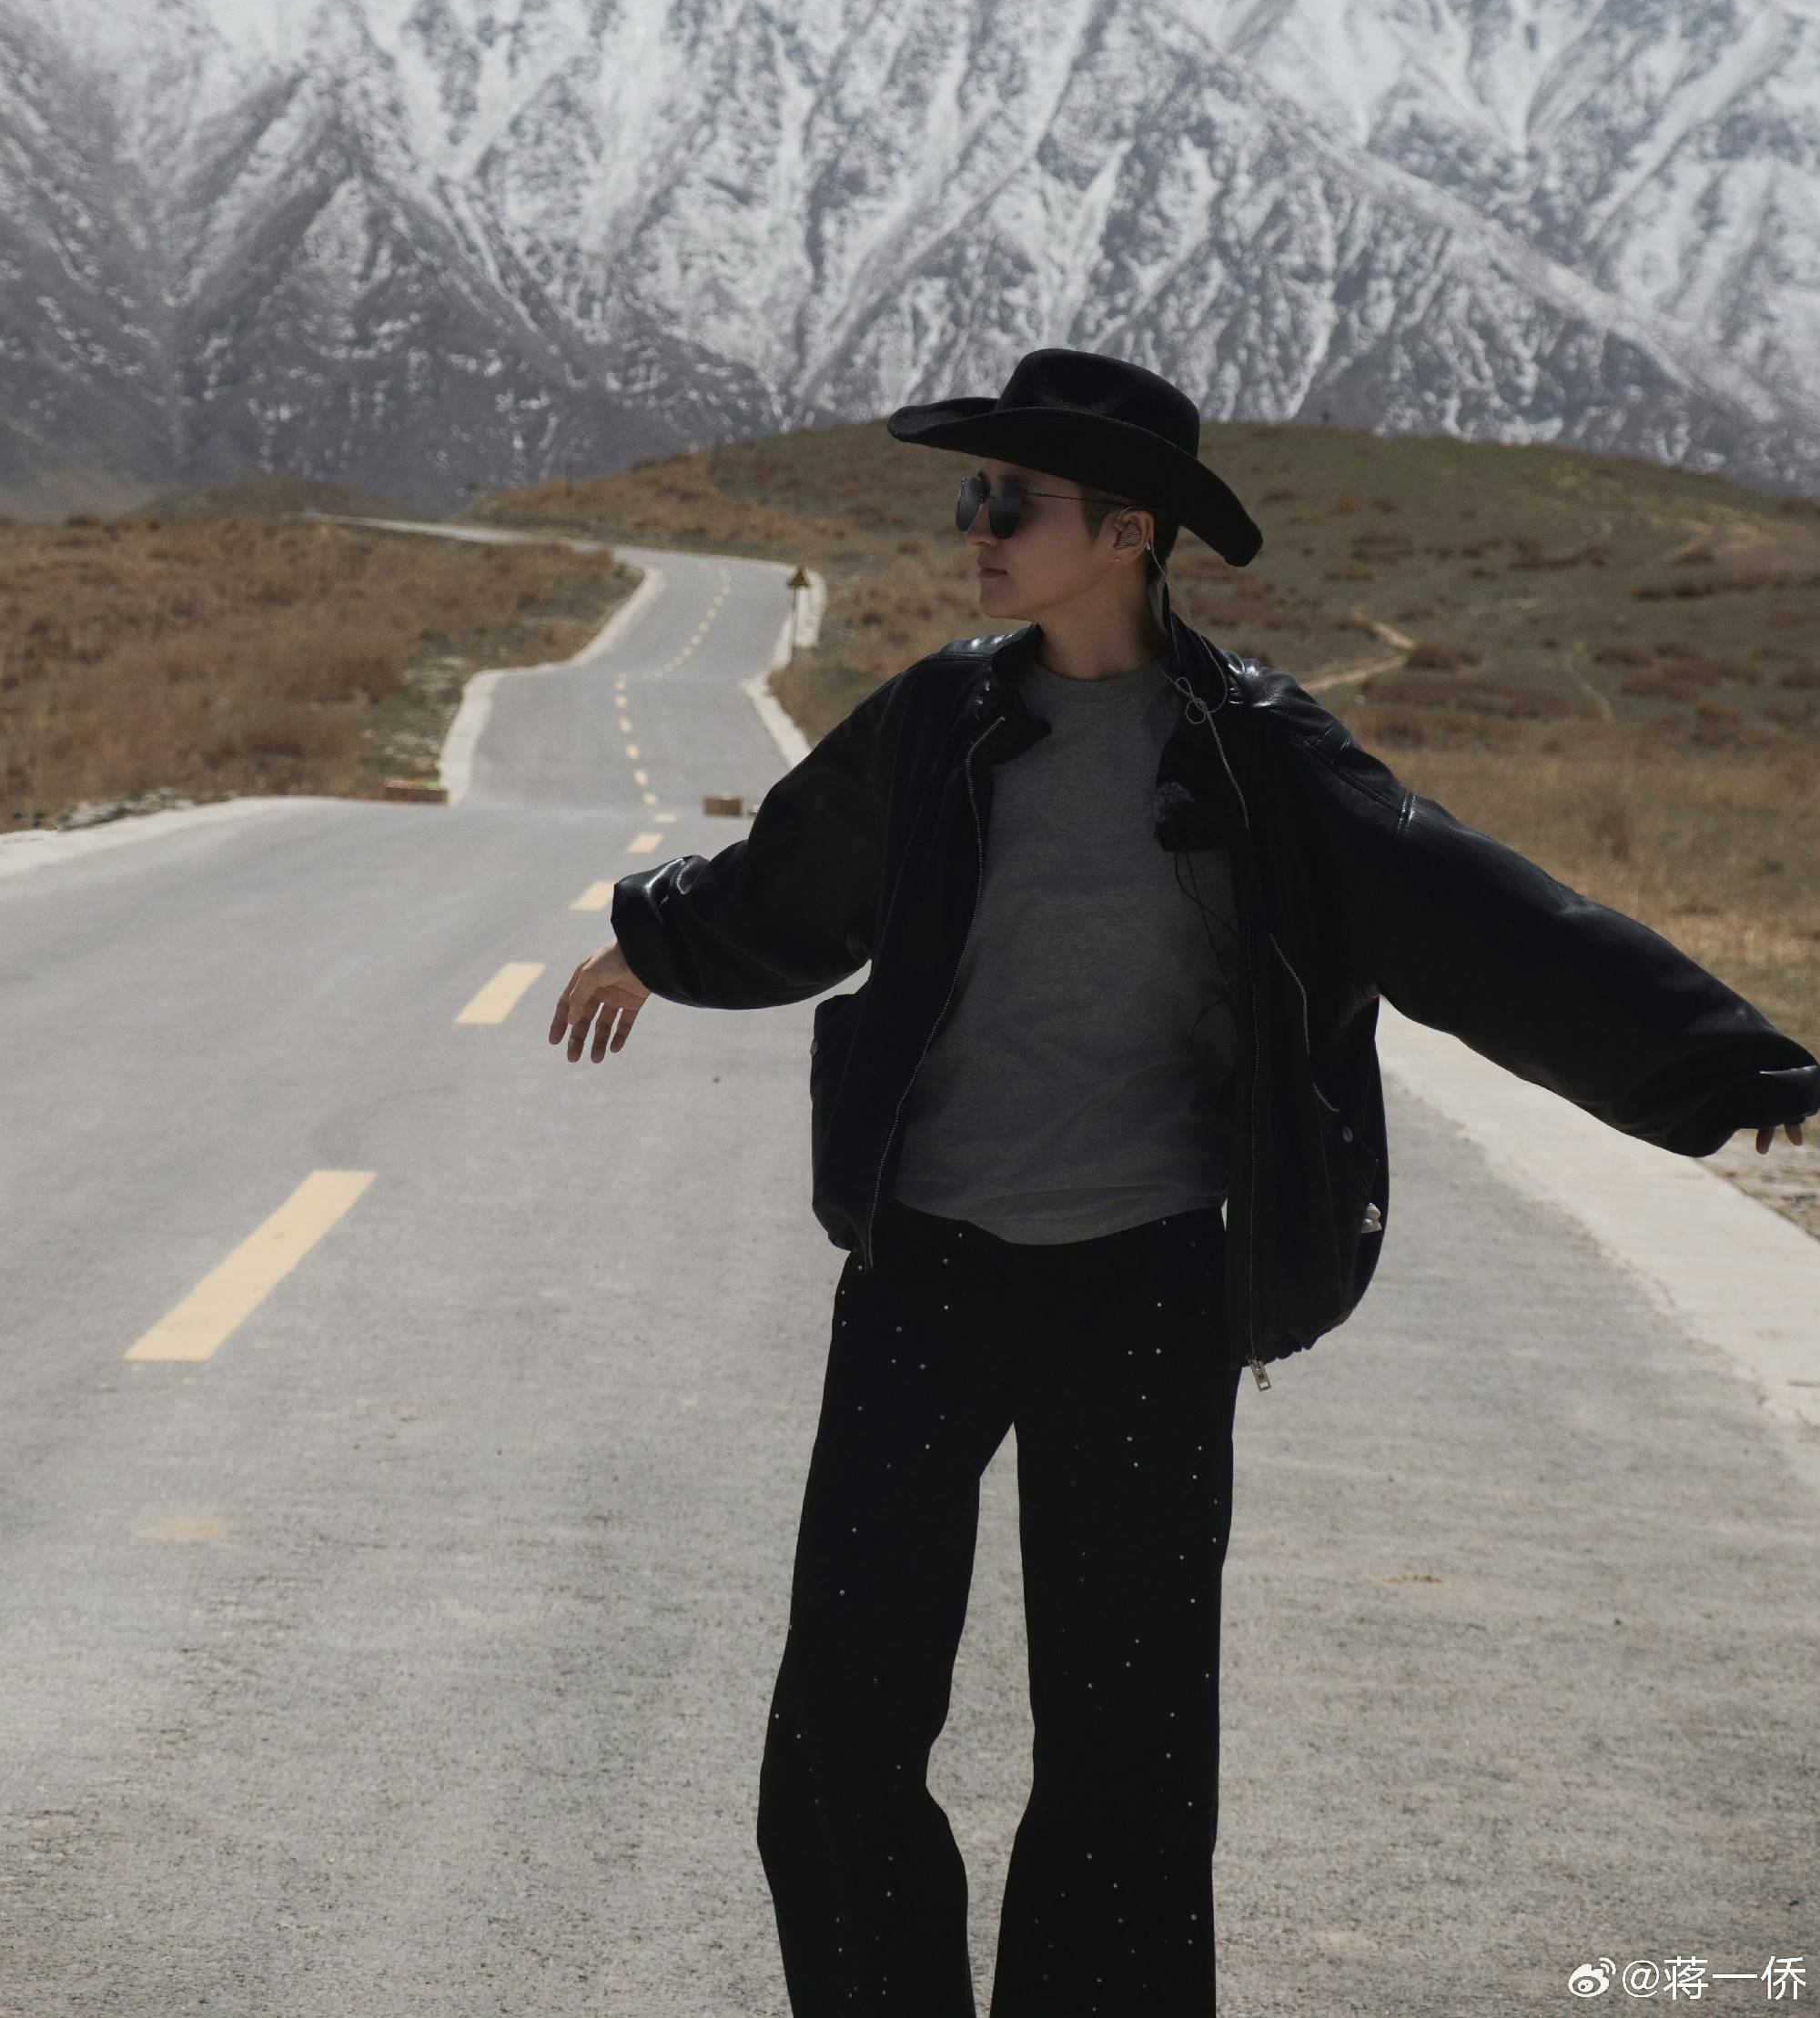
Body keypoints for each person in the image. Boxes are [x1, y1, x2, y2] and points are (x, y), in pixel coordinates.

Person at [548, 346, 1815, 2018]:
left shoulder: (1257, 753)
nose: (977, 524)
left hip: (1143, 1289)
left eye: (1013, 501)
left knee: (1127, 1751)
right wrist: (656, 942)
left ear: (1129, 532)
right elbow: (796, 878)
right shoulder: (942, 717)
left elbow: (1476, 915)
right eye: (975, 493)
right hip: (924, 1273)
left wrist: (1718, 1067)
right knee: (843, 1715)